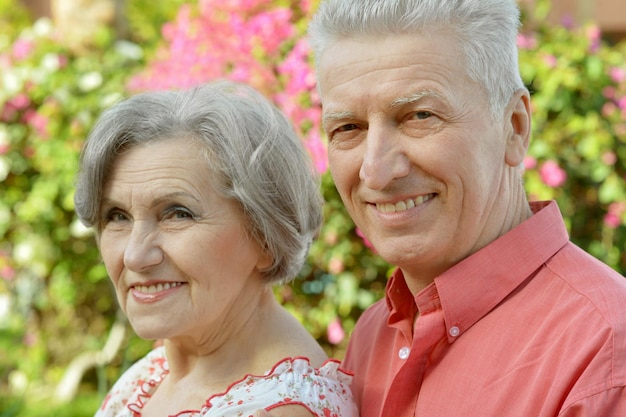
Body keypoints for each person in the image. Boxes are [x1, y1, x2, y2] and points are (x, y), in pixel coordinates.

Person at [303, 0, 626, 416]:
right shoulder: (372, 335)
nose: (376, 171)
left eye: (419, 116)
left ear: (514, 128)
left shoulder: (604, 353)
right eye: (348, 128)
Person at [74, 81, 357, 417]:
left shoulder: (281, 410)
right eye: (117, 216)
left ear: (266, 235)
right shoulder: (158, 373)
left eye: (177, 214)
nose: (134, 255)